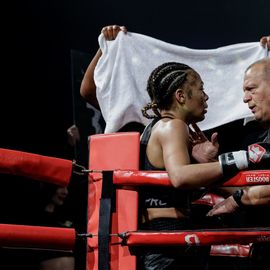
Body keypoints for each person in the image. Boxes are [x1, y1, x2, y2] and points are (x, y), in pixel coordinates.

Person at [137, 60, 270, 270]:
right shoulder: (173, 126)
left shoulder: (162, 128)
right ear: (181, 96)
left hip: (168, 239)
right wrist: (242, 158)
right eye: (200, 89)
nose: (205, 96)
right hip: (168, 241)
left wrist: (207, 166)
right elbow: (180, 176)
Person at [80, 25, 145, 134]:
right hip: (118, 149)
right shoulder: (123, 104)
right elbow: (88, 91)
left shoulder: (164, 109)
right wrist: (105, 46)